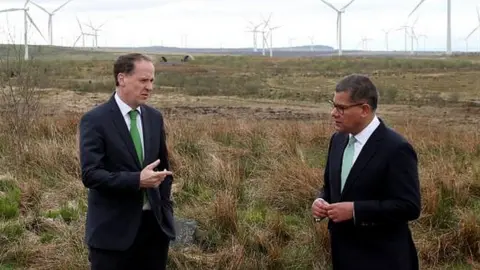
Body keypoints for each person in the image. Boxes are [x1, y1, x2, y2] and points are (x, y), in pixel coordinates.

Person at [311, 74, 421, 270]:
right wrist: (321, 201)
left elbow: (409, 206)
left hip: (383, 259)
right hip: (343, 257)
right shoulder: (337, 141)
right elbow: (331, 187)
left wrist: (355, 211)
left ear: (364, 109)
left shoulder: (396, 149)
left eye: (341, 108)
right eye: (333, 105)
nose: (333, 113)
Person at [78, 53, 176, 270]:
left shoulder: (154, 117)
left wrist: (165, 207)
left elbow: (164, 166)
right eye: (143, 80)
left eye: (151, 80)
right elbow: (90, 174)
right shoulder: (95, 120)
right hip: (111, 236)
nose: (149, 87)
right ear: (122, 78)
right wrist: (137, 180)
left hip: (154, 232)